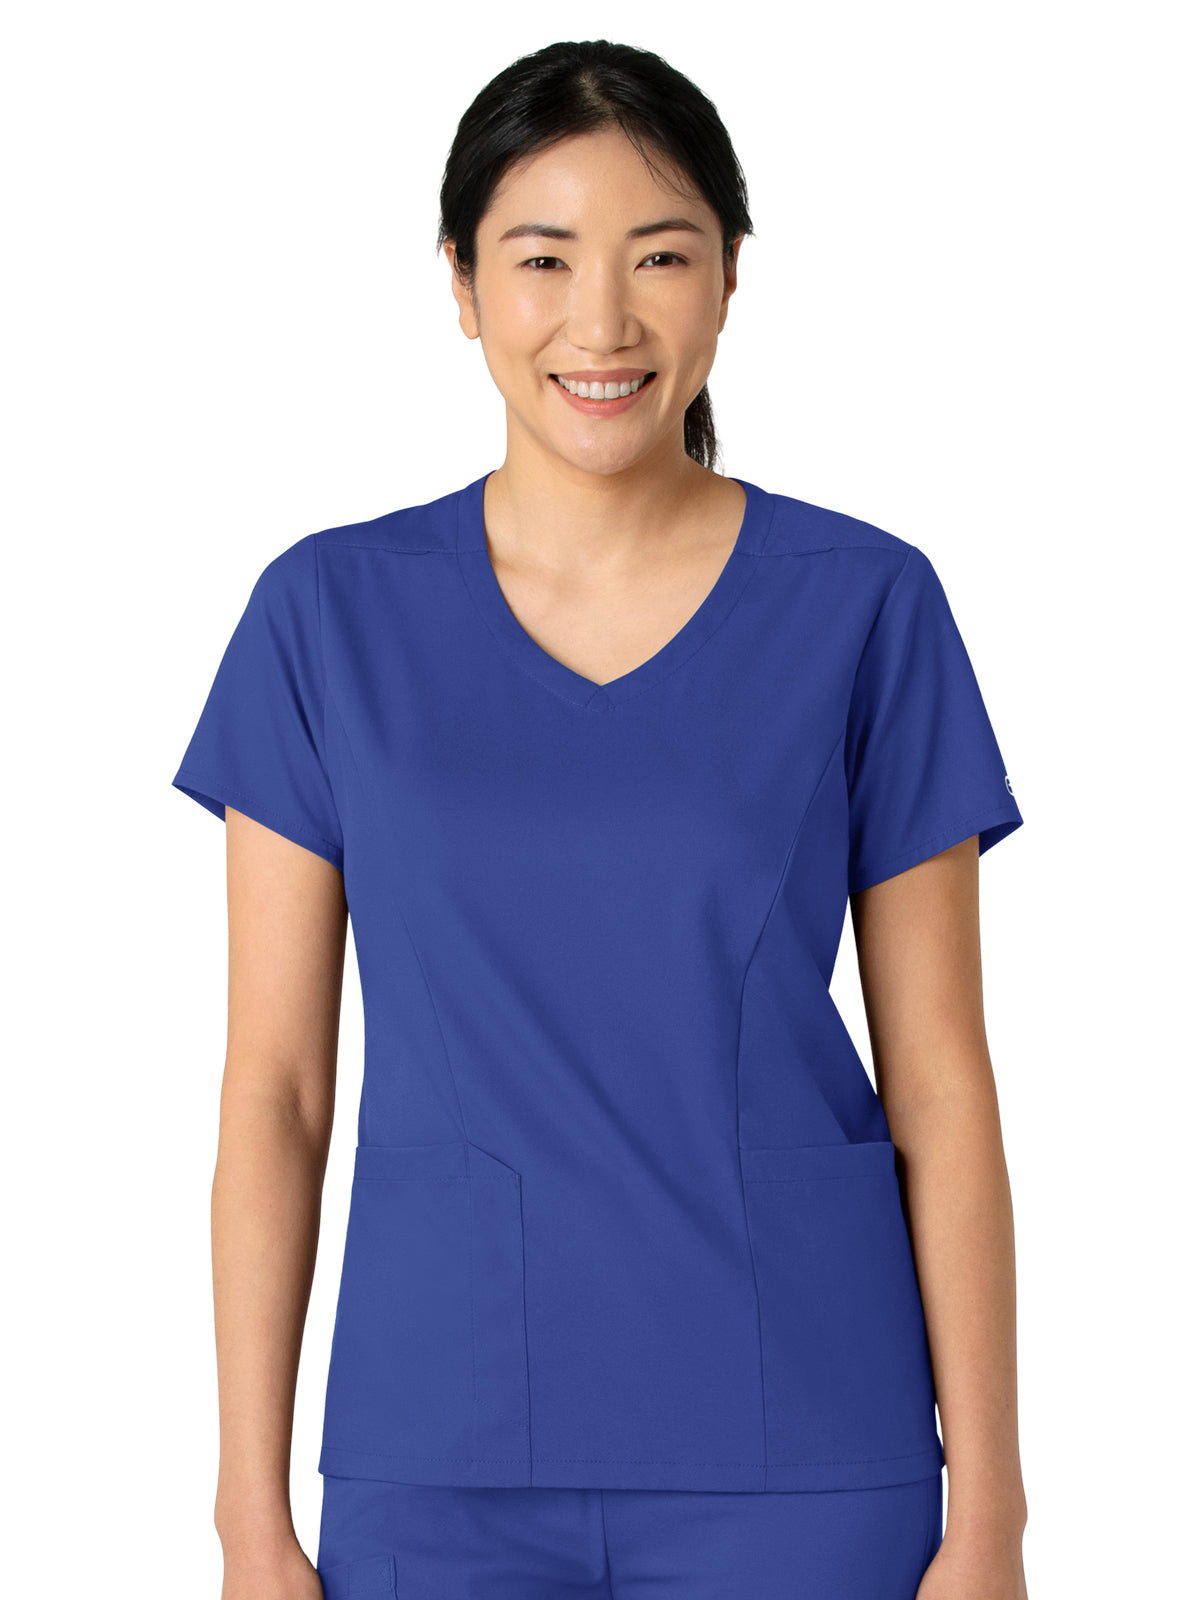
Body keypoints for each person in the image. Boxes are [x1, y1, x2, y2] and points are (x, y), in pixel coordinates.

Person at [171, 38, 1031, 1600]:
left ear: (729, 278)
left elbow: (944, 1083)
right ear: (459, 282)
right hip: (439, 1455)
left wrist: (993, 1521)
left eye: (661, 256)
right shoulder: (326, 616)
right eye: (543, 258)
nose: (603, 321)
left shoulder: (865, 605)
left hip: (805, 1440)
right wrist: (246, 1518)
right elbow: (277, 1093)